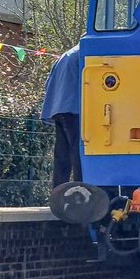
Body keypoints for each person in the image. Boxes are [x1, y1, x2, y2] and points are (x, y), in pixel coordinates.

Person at [42, 44, 82, 189]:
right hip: (74, 107)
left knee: (62, 155)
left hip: (57, 108)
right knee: (79, 152)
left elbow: (48, 84)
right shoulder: (84, 53)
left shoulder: (65, 55)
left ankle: (58, 193)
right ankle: (82, 189)